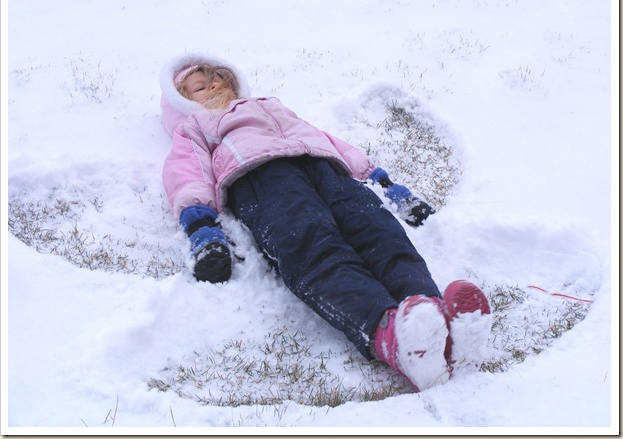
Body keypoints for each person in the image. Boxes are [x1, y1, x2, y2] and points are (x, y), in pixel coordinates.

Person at [159, 53, 492, 392]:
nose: (214, 86)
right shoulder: (195, 126)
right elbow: (188, 172)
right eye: (200, 87)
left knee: (378, 230)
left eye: (219, 79)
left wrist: (382, 183)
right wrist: (201, 225)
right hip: (260, 178)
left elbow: (325, 139)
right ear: (182, 103)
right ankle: (390, 334)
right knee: (312, 242)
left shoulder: (267, 104)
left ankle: (437, 320)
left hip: (323, 167)